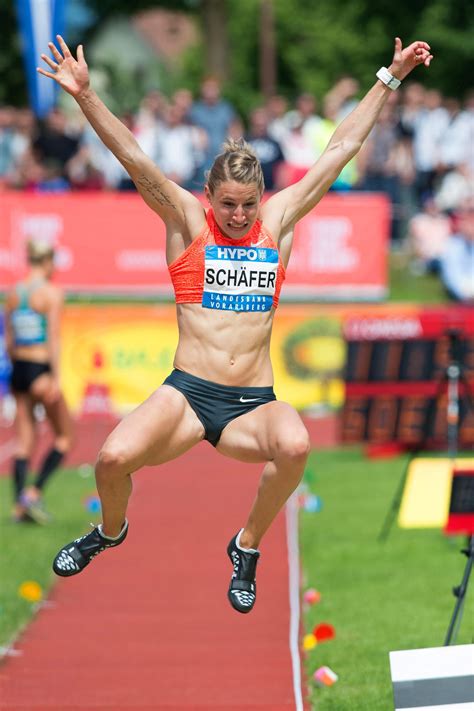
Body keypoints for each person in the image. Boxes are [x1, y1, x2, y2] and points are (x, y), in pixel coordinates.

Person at [38, 35, 432, 613]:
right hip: (188, 395)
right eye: (228, 204)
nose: (240, 215)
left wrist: (390, 78)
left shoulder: (278, 220)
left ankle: (246, 546)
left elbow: (341, 147)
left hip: (252, 400)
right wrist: (87, 95)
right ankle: (110, 532)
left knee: (296, 444)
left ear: (262, 196)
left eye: (249, 203)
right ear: (209, 196)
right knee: (112, 460)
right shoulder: (187, 220)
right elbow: (135, 161)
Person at [4, 239, 73, 523]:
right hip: (40, 371)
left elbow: (8, 340)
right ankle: (33, 493)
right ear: (46, 262)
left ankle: (19, 507)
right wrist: (55, 378)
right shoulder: (51, 293)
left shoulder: (13, 294)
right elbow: (54, 338)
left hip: (18, 370)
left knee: (24, 442)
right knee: (65, 438)